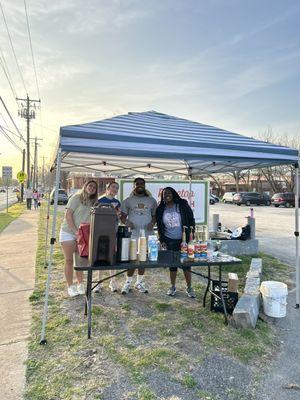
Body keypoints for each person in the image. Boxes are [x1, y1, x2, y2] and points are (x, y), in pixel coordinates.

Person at [59, 180, 98, 297]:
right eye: (90, 186)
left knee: (80, 261)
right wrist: (76, 232)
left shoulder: (94, 202)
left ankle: (81, 284)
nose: (92, 188)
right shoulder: (76, 198)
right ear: (85, 186)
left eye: (94, 187)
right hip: (68, 232)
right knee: (69, 260)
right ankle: (70, 286)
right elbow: (68, 215)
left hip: (83, 234)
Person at [156, 187, 196, 298]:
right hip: (169, 241)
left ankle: (189, 287)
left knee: (186, 265)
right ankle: (172, 286)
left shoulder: (182, 205)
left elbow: (191, 219)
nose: (166, 195)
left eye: (168, 193)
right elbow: (159, 226)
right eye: (164, 194)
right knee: (172, 265)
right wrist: (162, 240)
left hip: (183, 240)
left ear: (173, 194)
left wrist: (191, 235)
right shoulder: (161, 209)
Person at [120, 177, 157, 294]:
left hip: (147, 234)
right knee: (132, 259)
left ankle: (139, 282)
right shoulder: (128, 201)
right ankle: (127, 283)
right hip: (133, 235)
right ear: (134, 186)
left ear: (144, 185)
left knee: (143, 259)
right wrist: (127, 223)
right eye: (137, 184)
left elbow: (155, 216)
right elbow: (122, 216)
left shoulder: (152, 201)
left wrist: (152, 223)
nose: (140, 185)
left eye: (142, 183)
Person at [96, 181, 121, 293]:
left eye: (117, 188)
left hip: (113, 231)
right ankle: (98, 283)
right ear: (108, 188)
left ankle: (113, 282)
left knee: (112, 255)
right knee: (100, 256)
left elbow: (118, 217)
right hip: (101, 231)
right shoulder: (100, 200)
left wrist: (118, 215)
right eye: (113, 187)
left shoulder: (117, 202)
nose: (115, 189)